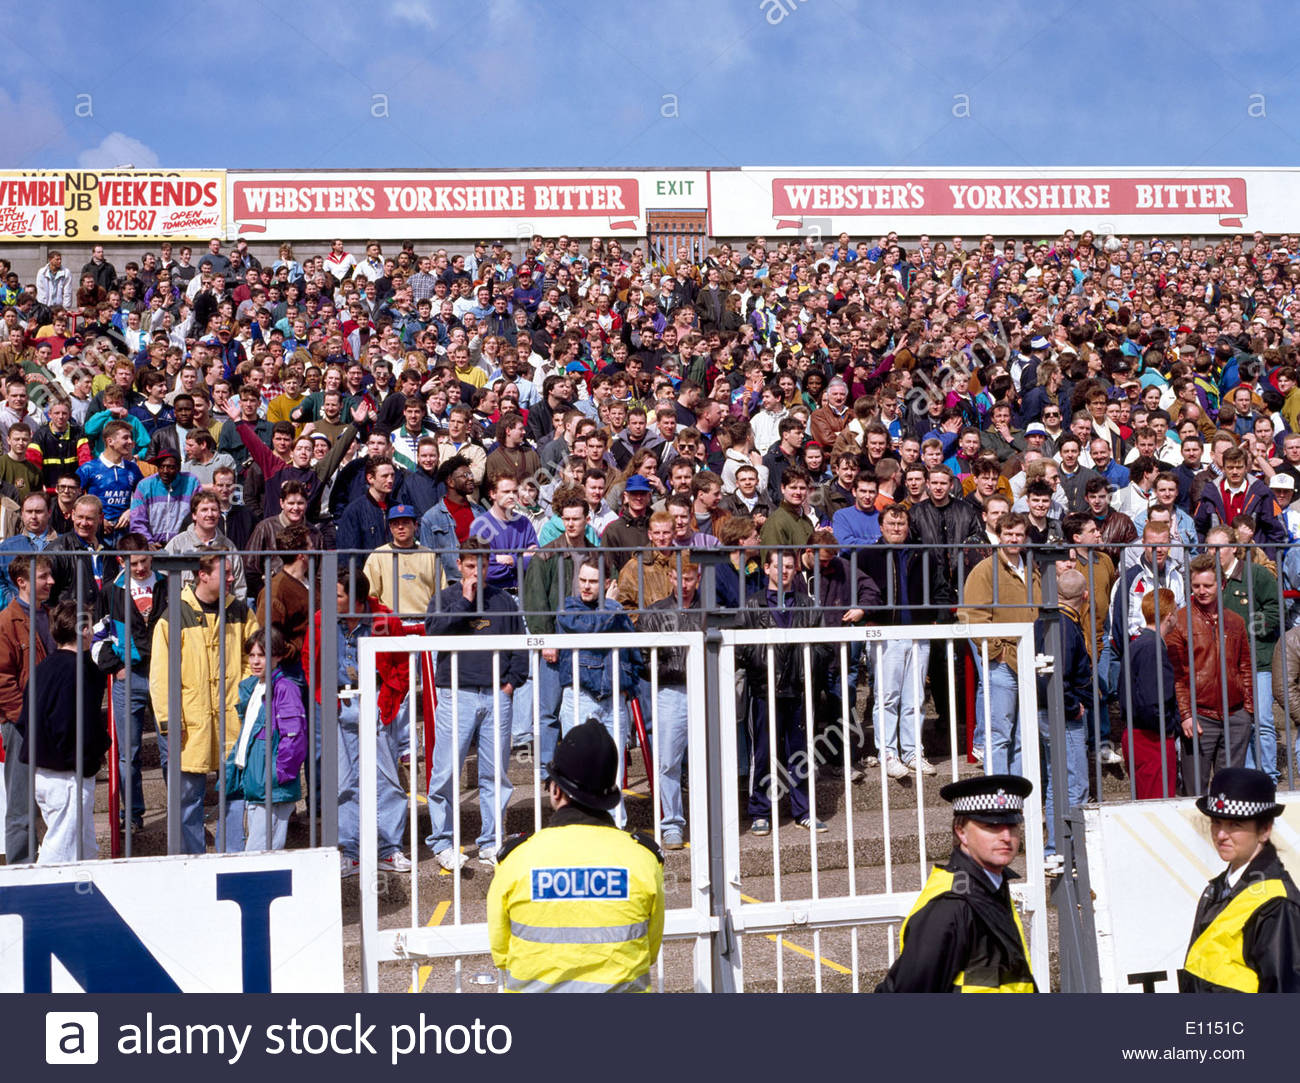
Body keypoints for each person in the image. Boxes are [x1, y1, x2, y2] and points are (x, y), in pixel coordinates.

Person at [486, 719, 665, 994]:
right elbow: (650, 950)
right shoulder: (643, 859)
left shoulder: (516, 861)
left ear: (556, 790)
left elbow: (501, 952)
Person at [876, 773, 1038, 993]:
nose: (1006, 837)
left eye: (1012, 826)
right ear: (961, 832)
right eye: (991, 827)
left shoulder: (991, 887)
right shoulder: (951, 906)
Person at [424, 538, 527, 871]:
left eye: (481, 565)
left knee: (495, 773)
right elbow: (434, 634)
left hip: (497, 694)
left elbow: (519, 645)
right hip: (458, 693)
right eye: (470, 565)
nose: (476, 571)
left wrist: (512, 682)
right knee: (446, 771)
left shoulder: (504, 601)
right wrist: (466, 601)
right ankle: (442, 842)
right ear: (459, 565)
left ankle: (491, 841)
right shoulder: (445, 598)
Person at [149, 551, 256, 855]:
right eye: (226, 573)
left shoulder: (241, 612)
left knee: (234, 794)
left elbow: (254, 656)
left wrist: (243, 693)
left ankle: (230, 857)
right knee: (186, 799)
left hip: (233, 717)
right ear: (203, 575)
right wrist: (169, 721)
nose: (233, 578)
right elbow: (160, 675)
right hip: (190, 720)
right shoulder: (174, 615)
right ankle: (190, 861)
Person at [1179, 767, 1300, 993]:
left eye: (1235, 825)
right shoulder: (1219, 887)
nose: (1221, 835)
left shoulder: (1275, 904)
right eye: (1216, 822)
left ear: (1264, 830)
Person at [15, 600, 108, 864]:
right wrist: (86, 757)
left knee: (83, 848)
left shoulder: (44, 668)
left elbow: (25, 721)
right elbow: (69, 724)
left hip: (46, 771)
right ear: (83, 630)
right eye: (90, 625)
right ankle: (45, 902)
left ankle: (83, 899)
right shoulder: (75, 670)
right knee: (61, 852)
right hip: (67, 775)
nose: (94, 631)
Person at [90, 533, 165, 832]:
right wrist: (115, 666)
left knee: (171, 748)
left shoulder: (168, 584)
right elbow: (97, 637)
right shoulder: (111, 591)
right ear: (122, 561)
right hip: (128, 675)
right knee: (127, 753)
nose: (140, 569)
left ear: (151, 556)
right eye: (133, 564)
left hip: (164, 675)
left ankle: (177, 811)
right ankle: (133, 815)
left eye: (144, 561)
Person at [957, 513, 1041, 774]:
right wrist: (997, 651)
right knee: (999, 734)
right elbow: (971, 615)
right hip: (1003, 664)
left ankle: (1019, 797)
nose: (1014, 539)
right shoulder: (985, 570)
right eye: (1009, 534)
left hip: (1030, 660)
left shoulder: (1032, 569)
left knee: (1023, 735)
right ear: (999, 536)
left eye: (1018, 534)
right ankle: (999, 797)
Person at [1166, 555, 1255, 798]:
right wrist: (1185, 714)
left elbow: (1245, 666)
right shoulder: (1180, 622)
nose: (1202, 591)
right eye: (1196, 586)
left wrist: (1247, 710)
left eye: (1208, 585)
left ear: (1221, 584)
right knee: (1195, 792)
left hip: (1235, 715)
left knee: (1231, 792)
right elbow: (1177, 674)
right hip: (1199, 717)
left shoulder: (1235, 621)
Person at [225, 631, 308, 853]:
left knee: (260, 855)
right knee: (260, 854)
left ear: (278, 655)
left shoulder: (285, 689)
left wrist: (277, 775)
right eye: (251, 655)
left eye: (262, 655)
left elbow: (295, 737)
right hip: (256, 783)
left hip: (271, 785)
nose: (255, 661)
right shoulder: (253, 687)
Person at [0, 554, 53, 864]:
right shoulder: (7, 622)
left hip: (53, 722)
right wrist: (24, 717)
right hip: (21, 725)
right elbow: (3, 680)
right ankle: (21, 869)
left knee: (59, 801)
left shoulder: (52, 616)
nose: (51, 581)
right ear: (22, 582)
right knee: (21, 807)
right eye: (44, 576)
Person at [1117, 588, 1180, 800]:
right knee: (1157, 805)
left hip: (1139, 735)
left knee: (1148, 802)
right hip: (1151, 739)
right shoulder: (1152, 648)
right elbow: (1152, 701)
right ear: (1169, 615)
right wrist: (1169, 726)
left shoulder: (1139, 643)